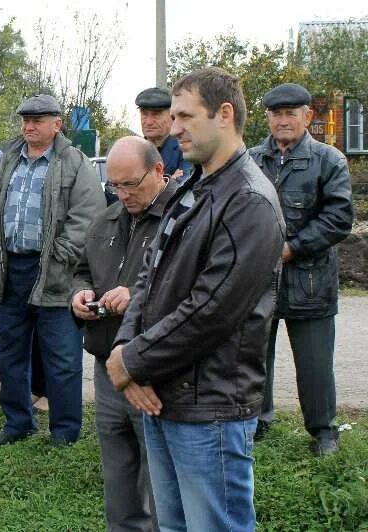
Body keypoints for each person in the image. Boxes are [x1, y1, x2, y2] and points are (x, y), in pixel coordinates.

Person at [106, 67, 285, 531]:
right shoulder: (192, 188)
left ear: (224, 114)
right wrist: (125, 355)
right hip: (164, 395)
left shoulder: (249, 201)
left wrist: (133, 362)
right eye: (172, 114)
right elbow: (148, 277)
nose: (175, 125)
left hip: (211, 409)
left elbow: (213, 310)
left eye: (185, 115)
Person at [0, 94, 104, 446]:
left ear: (57, 124)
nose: (29, 126)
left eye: (38, 120)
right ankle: (18, 423)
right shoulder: (6, 160)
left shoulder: (75, 163)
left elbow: (88, 215)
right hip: (11, 269)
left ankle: (64, 432)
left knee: (61, 358)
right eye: (25, 120)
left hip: (56, 273)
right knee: (5, 351)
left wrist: (61, 252)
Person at [72, 136, 178, 531]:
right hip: (106, 364)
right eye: (114, 185)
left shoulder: (183, 219)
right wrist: (78, 295)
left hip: (154, 366)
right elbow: (82, 270)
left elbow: (190, 288)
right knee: (118, 467)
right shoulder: (106, 219)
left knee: (159, 472)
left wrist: (136, 295)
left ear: (158, 171)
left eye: (131, 184)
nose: (122, 194)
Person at [249, 83, 354, 454]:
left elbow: (339, 218)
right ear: (268, 118)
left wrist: (293, 247)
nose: (283, 120)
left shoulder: (330, 160)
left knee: (314, 365)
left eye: (291, 113)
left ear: (308, 116)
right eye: (277, 114)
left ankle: (323, 432)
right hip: (258, 280)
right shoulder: (250, 159)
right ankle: (256, 422)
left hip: (311, 281)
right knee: (254, 356)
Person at [135, 87, 193, 182]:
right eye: (144, 114)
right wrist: (168, 181)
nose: (149, 122)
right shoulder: (132, 151)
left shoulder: (185, 148)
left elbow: (184, 187)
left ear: (172, 115)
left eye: (156, 114)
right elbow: (114, 190)